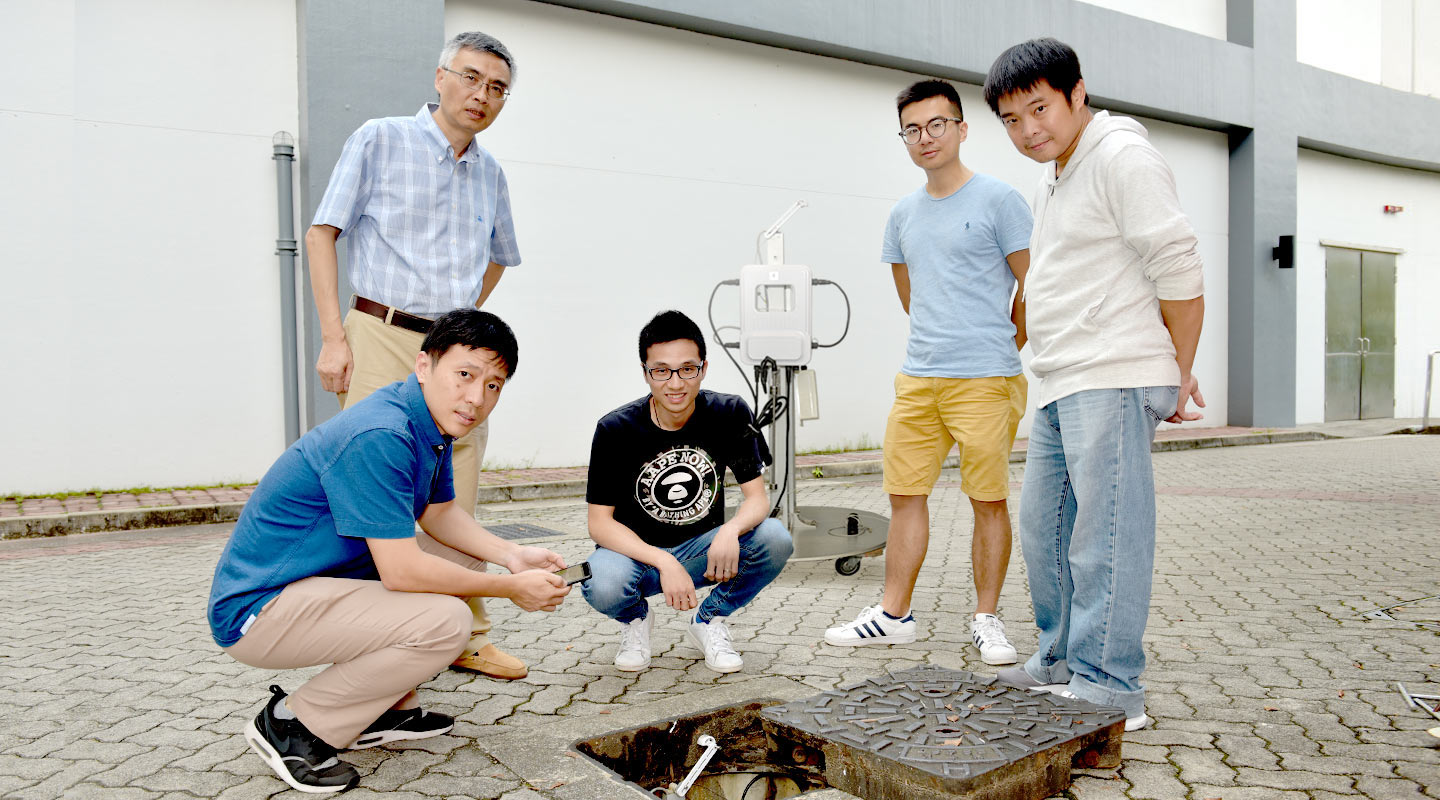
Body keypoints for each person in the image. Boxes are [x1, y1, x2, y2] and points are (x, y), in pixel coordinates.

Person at [207, 310, 570, 793]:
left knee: (460, 558)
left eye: (493, 385)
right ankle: (295, 724)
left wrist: (512, 555)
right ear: (424, 366)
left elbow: (440, 516)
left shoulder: (427, 423)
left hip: (317, 585)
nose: (476, 398)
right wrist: (510, 589)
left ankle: (385, 709)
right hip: (260, 610)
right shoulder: (382, 433)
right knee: (445, 623)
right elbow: (400, 571)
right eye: (465, 375)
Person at [983, 38, 1206, 732]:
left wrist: (1181, 367)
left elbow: (1181, 270)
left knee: (1105, 534)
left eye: (1040, 109)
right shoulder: (1057, 171)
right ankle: (1058, 659)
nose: (1028, 131)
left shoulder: (1122, 158)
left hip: (1112, 374)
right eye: (1012, 120)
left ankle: (1111, 688)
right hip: (1059, 378)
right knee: (1047, 528)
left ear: (1079, 93)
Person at [304, 31, 527, 681]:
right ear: (439, 77)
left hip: (457, 341)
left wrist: (461, 313)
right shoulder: (381, 138)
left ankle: (465, 632)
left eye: (496, 87)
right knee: (372, 481)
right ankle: (367, 629)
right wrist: (334, 336)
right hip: (380, 331)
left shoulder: (491, 173)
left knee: (457, 486)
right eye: (470, 77)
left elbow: (499, 258)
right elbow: (323, 233)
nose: (480, 95)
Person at [824, 80, 1031, 666]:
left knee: (987, 498)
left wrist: (1003, 341)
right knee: (904, 495)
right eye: (913, 129)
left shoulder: (1000, 200)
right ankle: (893, 615)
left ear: (962, 128)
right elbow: (912, 297)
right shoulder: (902, 215)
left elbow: (1033, 285)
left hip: (986, 379)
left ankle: (986, 619)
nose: (925, 137)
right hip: (919, 379)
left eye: (937, 124)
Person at [582, 310, 794, 674]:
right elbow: (599, 525)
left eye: (687, 369)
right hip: (638, 558)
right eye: (661, 370)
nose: (675, 383)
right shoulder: (615, 429)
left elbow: (757, 498)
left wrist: (730, 531)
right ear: (646, 372)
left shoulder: (729, 413)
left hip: (704, 553)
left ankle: (708, 620)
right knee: (601, 581)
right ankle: (635, 620)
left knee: (775, 538)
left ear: (704, 368)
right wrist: (663, 561)